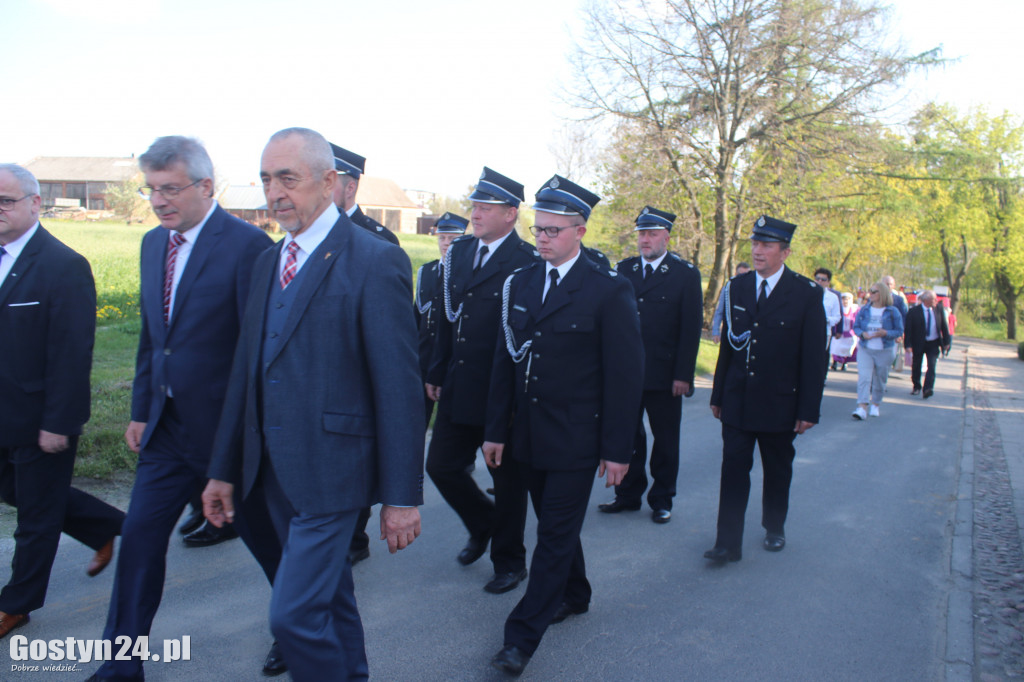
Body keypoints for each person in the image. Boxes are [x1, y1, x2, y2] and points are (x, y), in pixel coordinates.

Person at [202, 128, 424, 681]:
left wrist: (402, 496)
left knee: (295, 616)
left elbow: (398, 386)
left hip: (333, 473)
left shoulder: (374, 261)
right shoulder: (266, 262)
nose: (274, 192)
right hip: (268, 471)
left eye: (288, 178)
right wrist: (223, 470)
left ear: (328, 182)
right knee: (331, 602)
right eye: (266, 179)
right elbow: (246, 375)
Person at [87, 138, 283, 680]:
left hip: (228, 433)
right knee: (141, 545)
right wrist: (141, 409)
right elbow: (155, 337)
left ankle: (296, 631)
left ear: (204, 186)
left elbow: (254, 352)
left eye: (169, 189)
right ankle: (120, 666)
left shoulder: (248, 247)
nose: (157, 200)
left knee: (268, 543)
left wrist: (240, 438)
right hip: (166, 433)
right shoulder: (154, 244)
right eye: (150, 189)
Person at [483, 174, 643, 675]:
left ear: (580, 231)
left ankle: (520, 639)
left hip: (578, 438)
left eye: (554, 230)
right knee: (558, 528)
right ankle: (575, 592)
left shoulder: (607, 291)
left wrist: (619, 450)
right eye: (539, 229)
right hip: (529, 435)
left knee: (552, 534)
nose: (543, 238)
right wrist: (495, 429)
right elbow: (504, 363)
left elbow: (624, 378)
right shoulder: (522, 283)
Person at [0, 164, 125, 638]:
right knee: (15, 492)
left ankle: (16, 604)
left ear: (35, 203)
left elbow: (73, 354)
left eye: (7, 200)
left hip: (40, 417)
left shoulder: (63, 265)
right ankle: (109, 524)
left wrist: (60, 422)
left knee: (34, 517)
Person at [424, 167, 538, 595]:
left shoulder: (527, 261)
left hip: (502, 390)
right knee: (440, 466)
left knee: (508, 481)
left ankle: (510, 561)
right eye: (474, 205)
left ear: (510, 213)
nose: (475, 213)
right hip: (459, 382)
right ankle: (482, 522)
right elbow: (447, 320)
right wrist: (436, 371)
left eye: (485, 207)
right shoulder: (459, 252)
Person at [705, 215, 826, 564]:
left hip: (779, 403)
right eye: (755, 244)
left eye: (766, 245)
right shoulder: (737, 288)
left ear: (784, 252)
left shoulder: (805, 294)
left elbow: (813, 358)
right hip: (738, 401)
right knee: (733, 470)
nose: (758, 251)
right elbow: (729, 347)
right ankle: (727, 543)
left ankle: (774, 526)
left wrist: (808, 409)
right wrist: (717, 395)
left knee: (777, 469)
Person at [598, 206, 702, 523]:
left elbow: (690, 329)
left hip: (665, 374)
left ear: (666, 237)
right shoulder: (623, 270)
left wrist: (683, 374)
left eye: (652, 233)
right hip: (627, 374)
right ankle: (628, 495)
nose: (645, 239)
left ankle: (662, 499)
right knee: (629, 436)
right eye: (642, 233)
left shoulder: (685, 274)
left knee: (665, 439)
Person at [417, 212, 469, 428]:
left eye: (452, 239)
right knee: (416, 419)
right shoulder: (426, 272)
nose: (446, 243)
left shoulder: (466, 275)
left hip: (450, 358)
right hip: (423, 358)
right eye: (442, 238)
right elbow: (416, 317)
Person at [851, 280, 904, 419]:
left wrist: (886, 333)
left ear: (883, 294)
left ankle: (875, 403)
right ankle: (861, 407)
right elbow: (856, 326)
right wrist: (862, 334)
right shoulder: (864, 309)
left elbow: (899, 330)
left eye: (874, 291)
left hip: (885, 349)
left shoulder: (893, 311)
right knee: (864, 377)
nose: (871, 294)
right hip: (866, 348)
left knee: (880, 378)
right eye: (870, 291)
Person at [328, 142, 400, 245]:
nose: (321, 190)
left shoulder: (381, 239)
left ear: (350, 189)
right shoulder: (310, 228)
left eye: (329, 182)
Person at [903, 289, 951, 399]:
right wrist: (908, 345)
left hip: (933, 343)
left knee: (932, 366)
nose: (936, 301)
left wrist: (947, 342)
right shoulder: (914, 311)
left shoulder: (938, 309)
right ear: (926, 300)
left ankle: (928, 388)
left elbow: (944, 326)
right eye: (934, 299)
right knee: (917, 365)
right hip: (918, 342)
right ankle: (916, 386)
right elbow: (908, 330)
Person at [711, 262, 750, 344]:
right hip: (729, 331)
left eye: (746, 275)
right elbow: (720, 310)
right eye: (740, 275)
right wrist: (716, 332)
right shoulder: (728, 288)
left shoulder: (752, 291)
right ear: (736, 274)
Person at [814, 268, 843, 374]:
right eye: (817, 279)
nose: (820, 281)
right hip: (808, 330)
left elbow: (837, 317)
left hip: (824, 331)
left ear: (828, 282)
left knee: (820, 357)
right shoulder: (807, 294)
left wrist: (825, 320)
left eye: (823, 279)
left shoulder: (833, 297)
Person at [830, 292, 859, 370]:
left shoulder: (854, 309)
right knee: (836, 348)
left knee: (847, 349)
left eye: (847, 299)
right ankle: (835, 363)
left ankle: (844, 363)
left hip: (850, 333)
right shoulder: (837, 308)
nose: (845, 301)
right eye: (843, 299)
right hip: (839, 333)